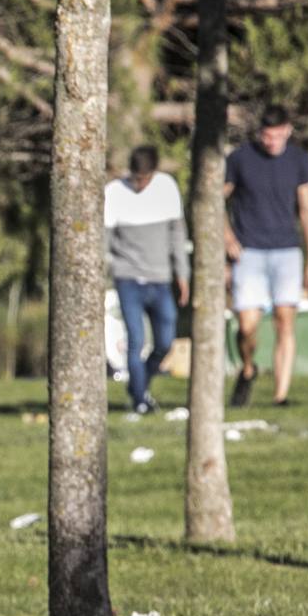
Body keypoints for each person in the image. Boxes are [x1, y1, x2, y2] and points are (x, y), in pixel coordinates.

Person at [224, 104, 308, 408]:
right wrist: (226, 236)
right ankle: (249, 367)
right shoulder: (240, 159)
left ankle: (281, 394)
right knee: (247, 325)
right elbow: (213, 198)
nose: (272, 141)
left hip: (287, 250)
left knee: (284, 321)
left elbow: (307, 210)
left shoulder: (299, 161)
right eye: (267, 136)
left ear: (288, 131)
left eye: (277, 135)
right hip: (249, 250)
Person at [104, 145, 190, 414]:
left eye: (145, 178)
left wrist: (182, 274)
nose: (140, 184)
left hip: (160, 279)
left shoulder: (167, 188)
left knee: (165, 341)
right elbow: (104, 242)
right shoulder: (115, 193)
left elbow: (177, 235)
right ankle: (140, 401)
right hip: (128, 278)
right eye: (137, 178)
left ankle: (139, 384)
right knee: (136, 340)